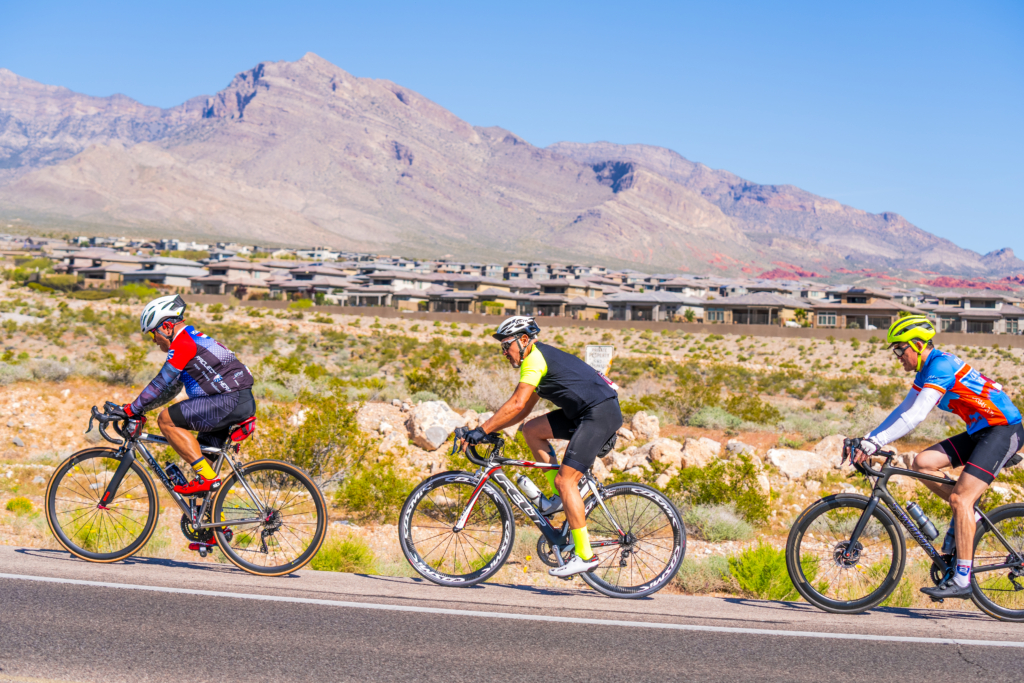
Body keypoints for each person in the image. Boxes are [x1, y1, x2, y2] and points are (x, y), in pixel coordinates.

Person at [853, 315, 1023, 599]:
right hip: (981, 431)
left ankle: (963, 579)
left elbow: (917, 415)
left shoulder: (941, 366)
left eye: (900, 349)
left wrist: (876, 442)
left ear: (919, 345)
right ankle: (971, 518)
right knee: (922, 463)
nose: (898, 356)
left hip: (1003, 430)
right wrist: (869, 438)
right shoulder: (926, 370)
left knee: (960, 500)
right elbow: (903, 410)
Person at [462, 316, 621, 577]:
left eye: (506, 346)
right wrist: (488, 430)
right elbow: (523, 410)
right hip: (587, 413)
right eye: (502, 347)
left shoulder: (535, 359)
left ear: (524, 340)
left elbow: (516, 403)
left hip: (599, 414)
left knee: (566, 481)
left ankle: (585, 555)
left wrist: (482, 430)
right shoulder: (538, 359)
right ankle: (556, 501)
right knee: (532, 430)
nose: (504, 352)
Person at [113, 294, 256, 496]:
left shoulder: (184, 343)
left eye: (153, 333)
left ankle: (208, 478)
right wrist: (139, 409)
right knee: (202, 483)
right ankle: (211, 515)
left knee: (166, 420)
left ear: (167, 327)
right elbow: (170, 390)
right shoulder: (193, 339)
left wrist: (131, 409)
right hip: (234, 401)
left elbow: (161, 382)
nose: (153, 340)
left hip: (228, 401)